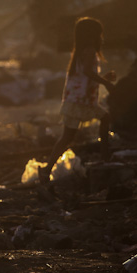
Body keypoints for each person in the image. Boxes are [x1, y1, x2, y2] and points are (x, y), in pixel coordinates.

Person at [42, 16, 116, 185]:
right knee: (68, 137)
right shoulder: (89, 50)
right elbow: (89, 74)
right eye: (99, 33)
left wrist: (104, 78)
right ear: (92, 35)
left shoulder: (82, 51)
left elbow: (87, 76)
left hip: (81, 100)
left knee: (104, 119)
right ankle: (46, 170)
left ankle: (105, 156)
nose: (101, 37)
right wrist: (106, 83)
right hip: (78, 101)